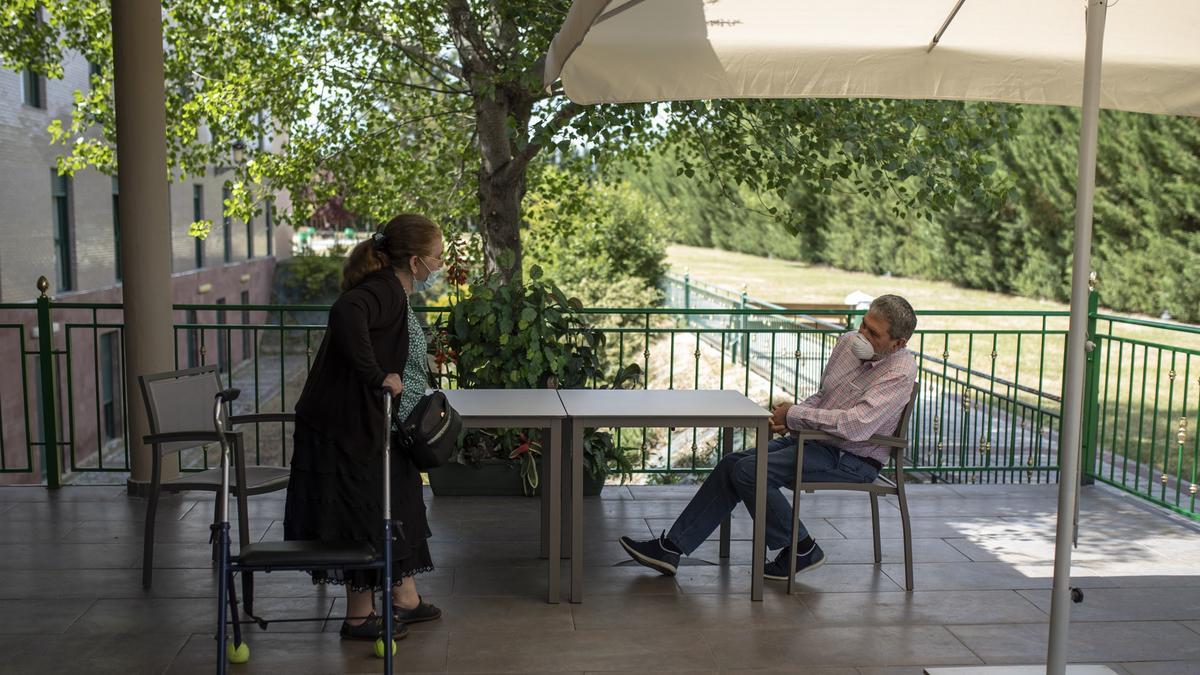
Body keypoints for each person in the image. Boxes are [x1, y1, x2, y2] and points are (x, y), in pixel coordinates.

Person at [619, 294, 918, 580]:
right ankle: (671, 548)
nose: (862, 335)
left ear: (898, 343)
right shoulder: (847, 344)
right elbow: (826, 397)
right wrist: (791, 416)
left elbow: (856, 425)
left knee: (750, 471)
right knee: (731, 463)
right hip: (815, 440)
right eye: (863, 324)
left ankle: (803, 548)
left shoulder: (900, 370)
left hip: (853, 458)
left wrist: (795, 416)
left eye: (874, 333)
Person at [284, 213, 446, 641]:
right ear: (415, 262)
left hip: (366, 421)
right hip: (344, 426)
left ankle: (404, 598)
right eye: (437, 257)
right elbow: (345, 312)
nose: (440, 265)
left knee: (401, 498)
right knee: (364, 511)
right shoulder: (379, 292)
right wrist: (378, 376)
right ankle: (358, 616)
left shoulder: (394, 292)